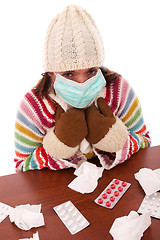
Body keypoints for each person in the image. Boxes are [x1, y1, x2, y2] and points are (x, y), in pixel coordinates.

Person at [14, 5, 151, 172]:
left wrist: (114, 138)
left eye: (91, 71)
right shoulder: (33, 107)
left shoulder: (118, 90)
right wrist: (62, 144)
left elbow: (145, 141)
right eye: (69, 74)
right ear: (50, 73)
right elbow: (22, 167)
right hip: (58, 192)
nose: (82, 83)